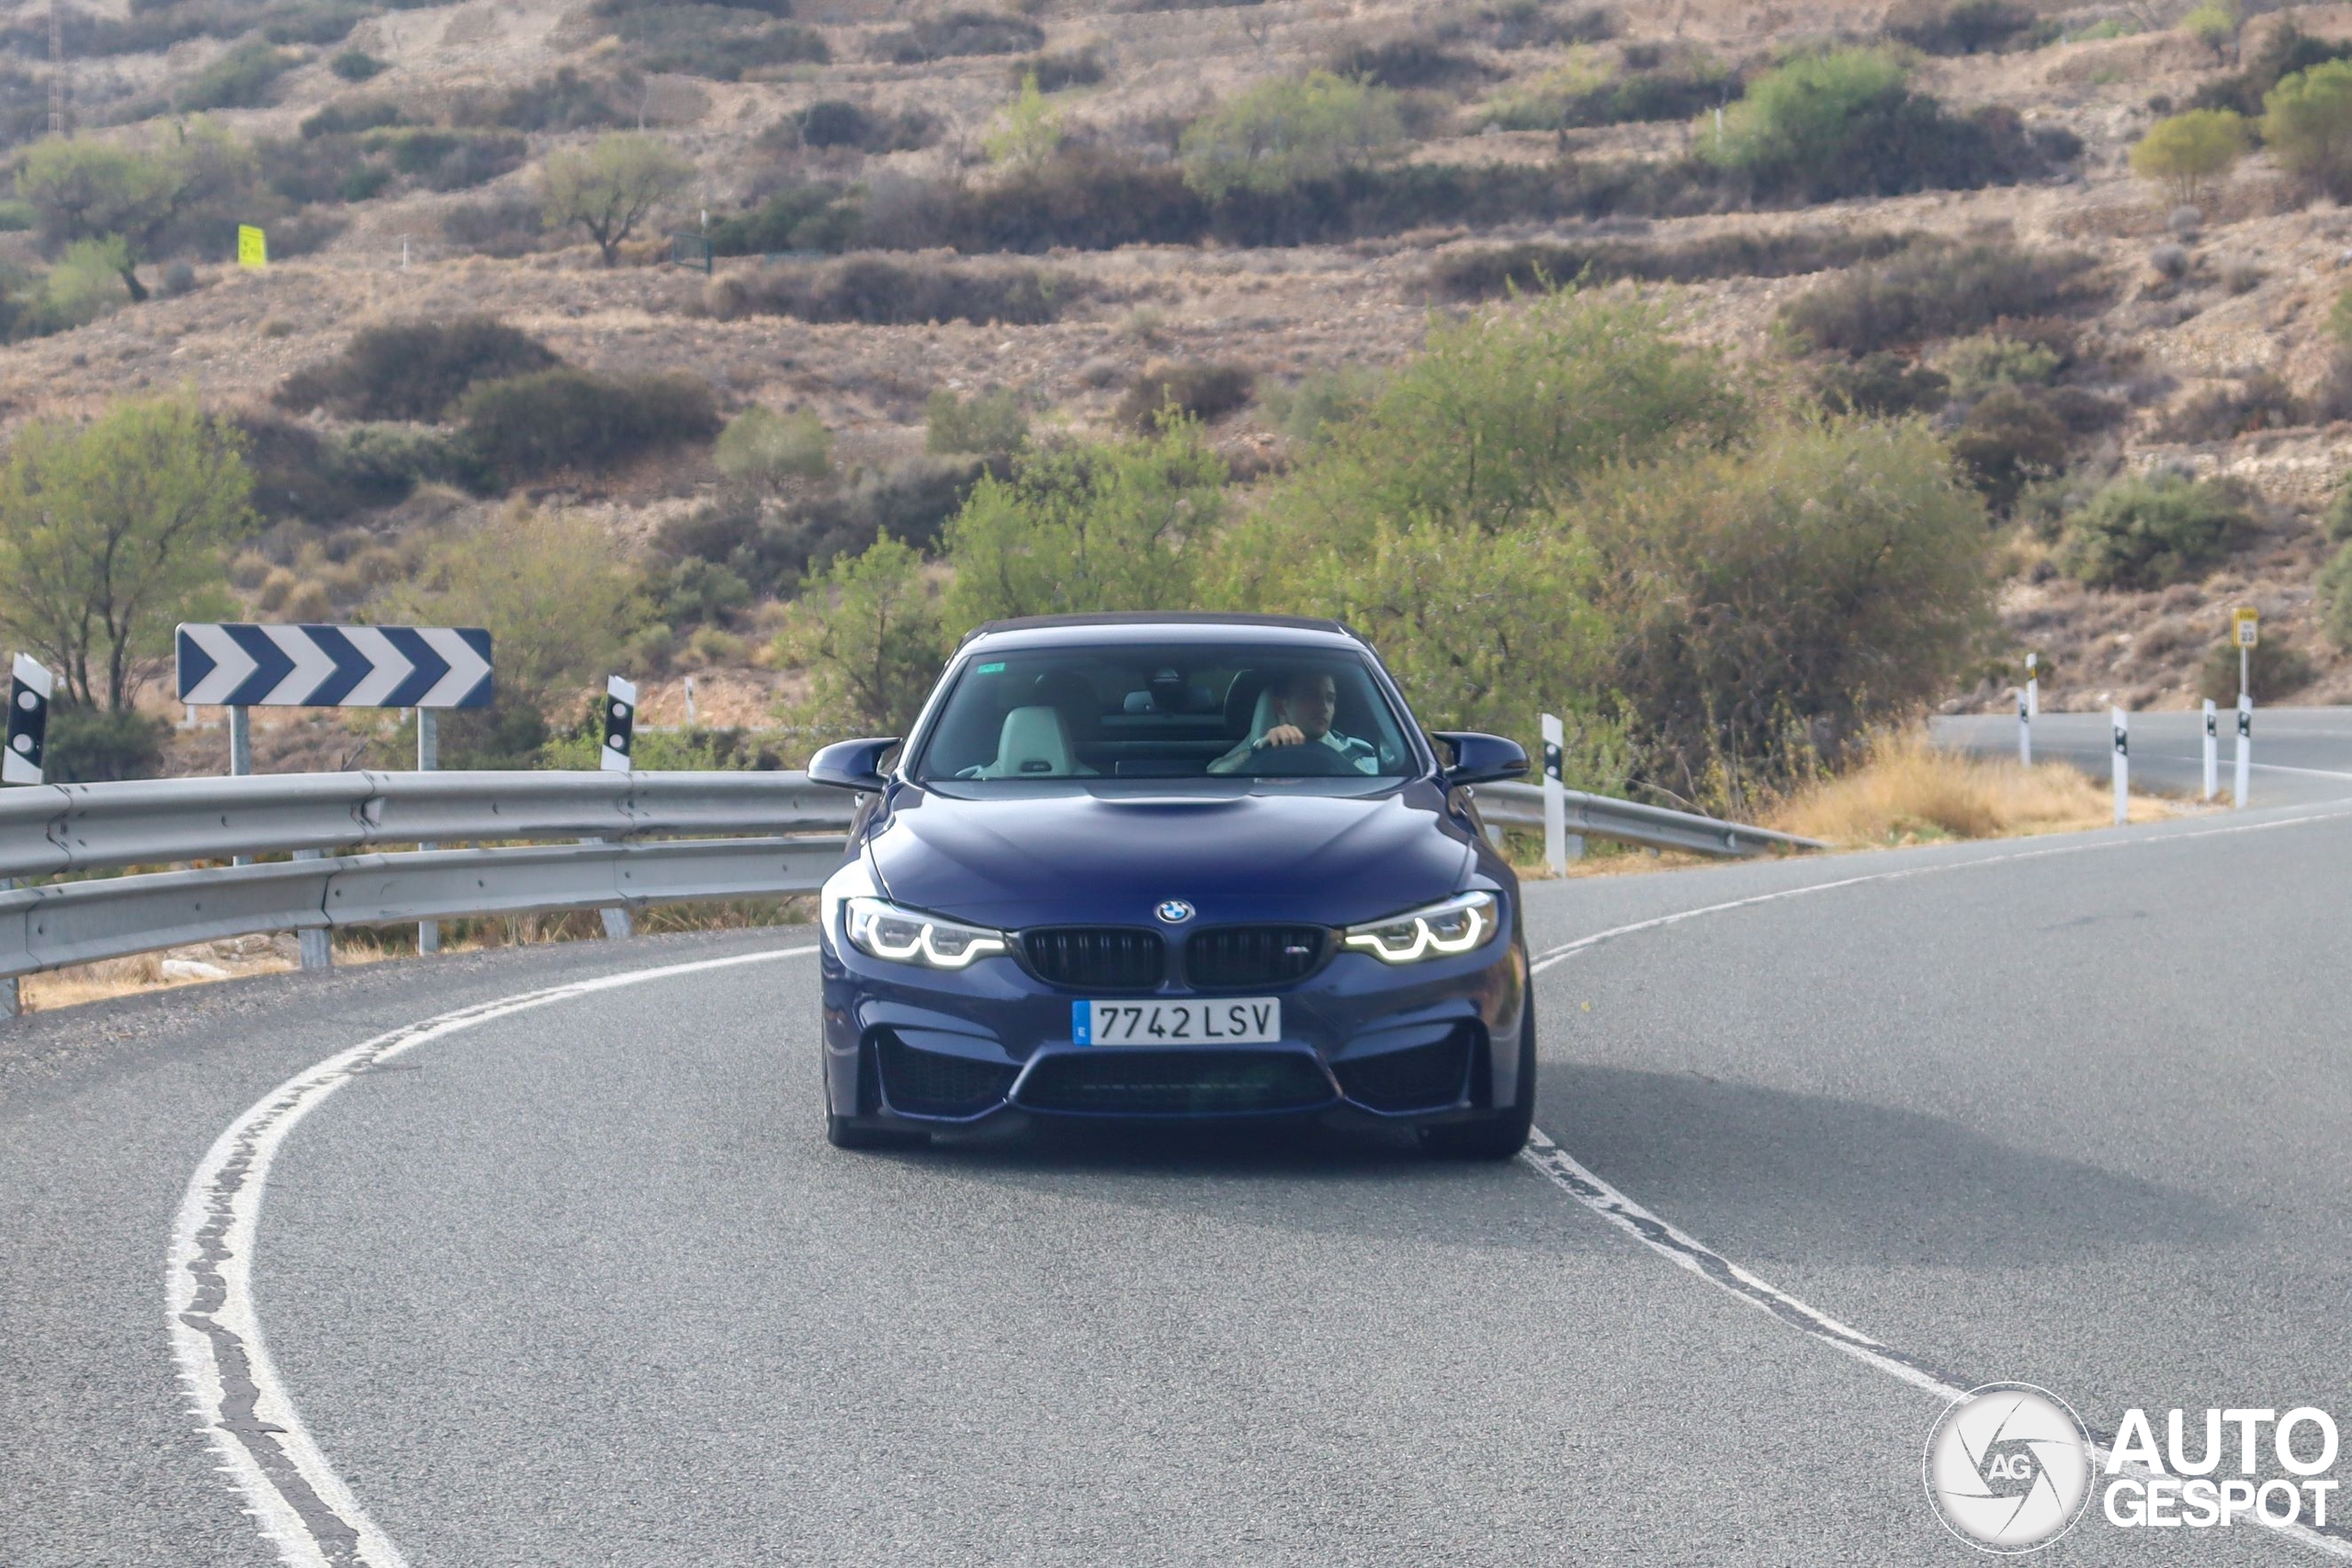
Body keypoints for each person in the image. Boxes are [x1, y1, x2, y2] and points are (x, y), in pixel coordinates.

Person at [1208, 670, 1381, 775]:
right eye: (1310, 696)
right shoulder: (1259, 744)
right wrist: (1259, 749)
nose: (1323, 707)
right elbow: (1216, 773)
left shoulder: (1352, 753)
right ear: (1281, 707)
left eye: (1330, 698)